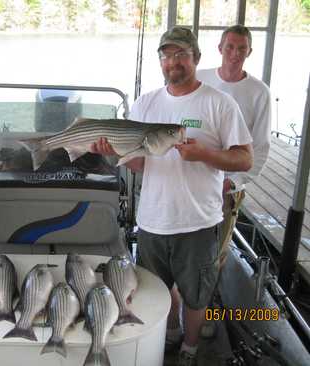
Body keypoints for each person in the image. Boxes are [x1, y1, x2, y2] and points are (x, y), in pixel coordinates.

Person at [91, 26, 253, 365]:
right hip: (152, 220)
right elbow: (137, 164)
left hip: (197, 220)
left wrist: (204, 155)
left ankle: (190, 348)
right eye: (166, 55)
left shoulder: (219, 103)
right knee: (156, 291)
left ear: (196, 57)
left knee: (195, 295)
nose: (172, 62)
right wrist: (109, 152)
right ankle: (170, 334)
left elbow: (244, 158)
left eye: (180, 54)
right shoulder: (146, 103)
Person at [197, 24, 271, 265]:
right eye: (230, 47)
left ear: (249, 52)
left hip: (228, 187)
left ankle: (204, 298)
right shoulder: (199, 78)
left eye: (242, 48)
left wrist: (234, 182)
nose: (235, 53)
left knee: (214, 254)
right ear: (220, 48)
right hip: (193, 177)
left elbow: (260, 147)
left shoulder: (260, 92)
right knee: (184, 246)